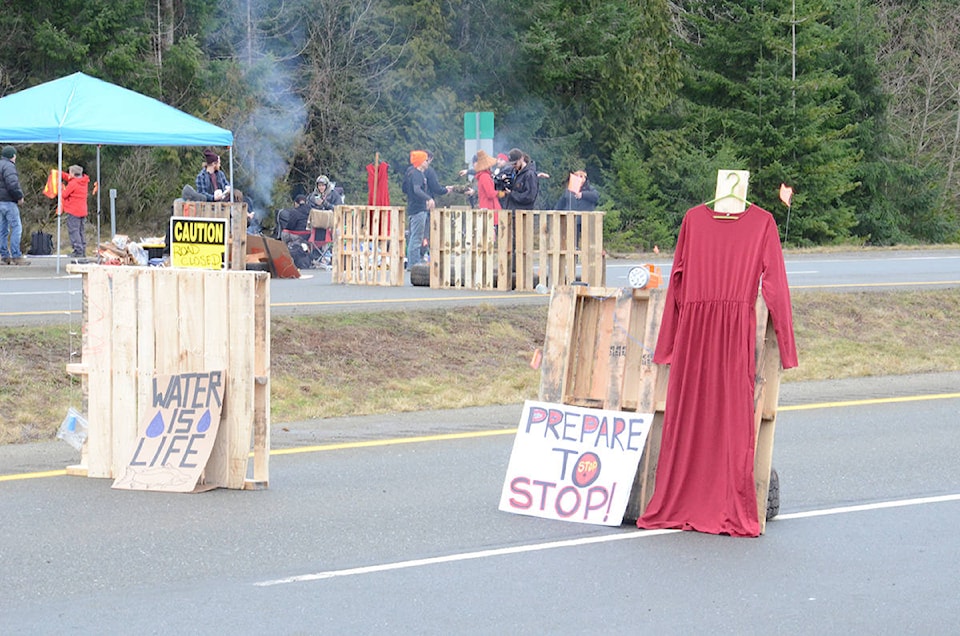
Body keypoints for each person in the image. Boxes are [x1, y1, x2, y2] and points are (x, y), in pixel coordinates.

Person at [402, 150, 433, 274]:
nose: (427, 163)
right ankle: (413, 264)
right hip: (418, 209)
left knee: (413, 236)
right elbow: (416, 190)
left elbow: (404, 188)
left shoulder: (409, 172)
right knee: (416, 237)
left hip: (412, 207)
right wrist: (428, 198)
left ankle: (412, 263)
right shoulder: (417, 174)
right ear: (420, 162)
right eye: (426, 160)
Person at [554, 169, 600, 248]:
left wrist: (582, 195)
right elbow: (561, 202)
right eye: (577, 176)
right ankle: (573, 258)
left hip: (585, 219)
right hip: (571, 219)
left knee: (588, 243)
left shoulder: (590, 189)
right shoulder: (569, 190)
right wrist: (555, 212)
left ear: (585, 178)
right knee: (572, 244)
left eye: (581, 176)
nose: (579, 178)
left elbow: (596, 196)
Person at [0, 145, 29, 266]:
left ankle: (4, 255)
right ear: (12, 156)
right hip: (8, 202)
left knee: (3, 230)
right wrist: (19, 197)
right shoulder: (9, 166)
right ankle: (16, 255)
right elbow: (12, 184)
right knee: (16, 227)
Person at [60, 164, 90, 257]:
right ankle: (82, 250)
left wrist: (61, 189)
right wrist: (60, 174)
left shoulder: (73, 183)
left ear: (72, 173)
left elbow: (64, 195)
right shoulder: (83, 182)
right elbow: (69, 178)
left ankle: (78, 250)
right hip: (82, 210)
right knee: (80, 230)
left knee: (74, 231)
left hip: (73, 210)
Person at [472, 150, 501, 218]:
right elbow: (490, 194)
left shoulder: (482, 176)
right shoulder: (485, 176)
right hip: (489, 207)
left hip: (485, 206)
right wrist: (501, 193)